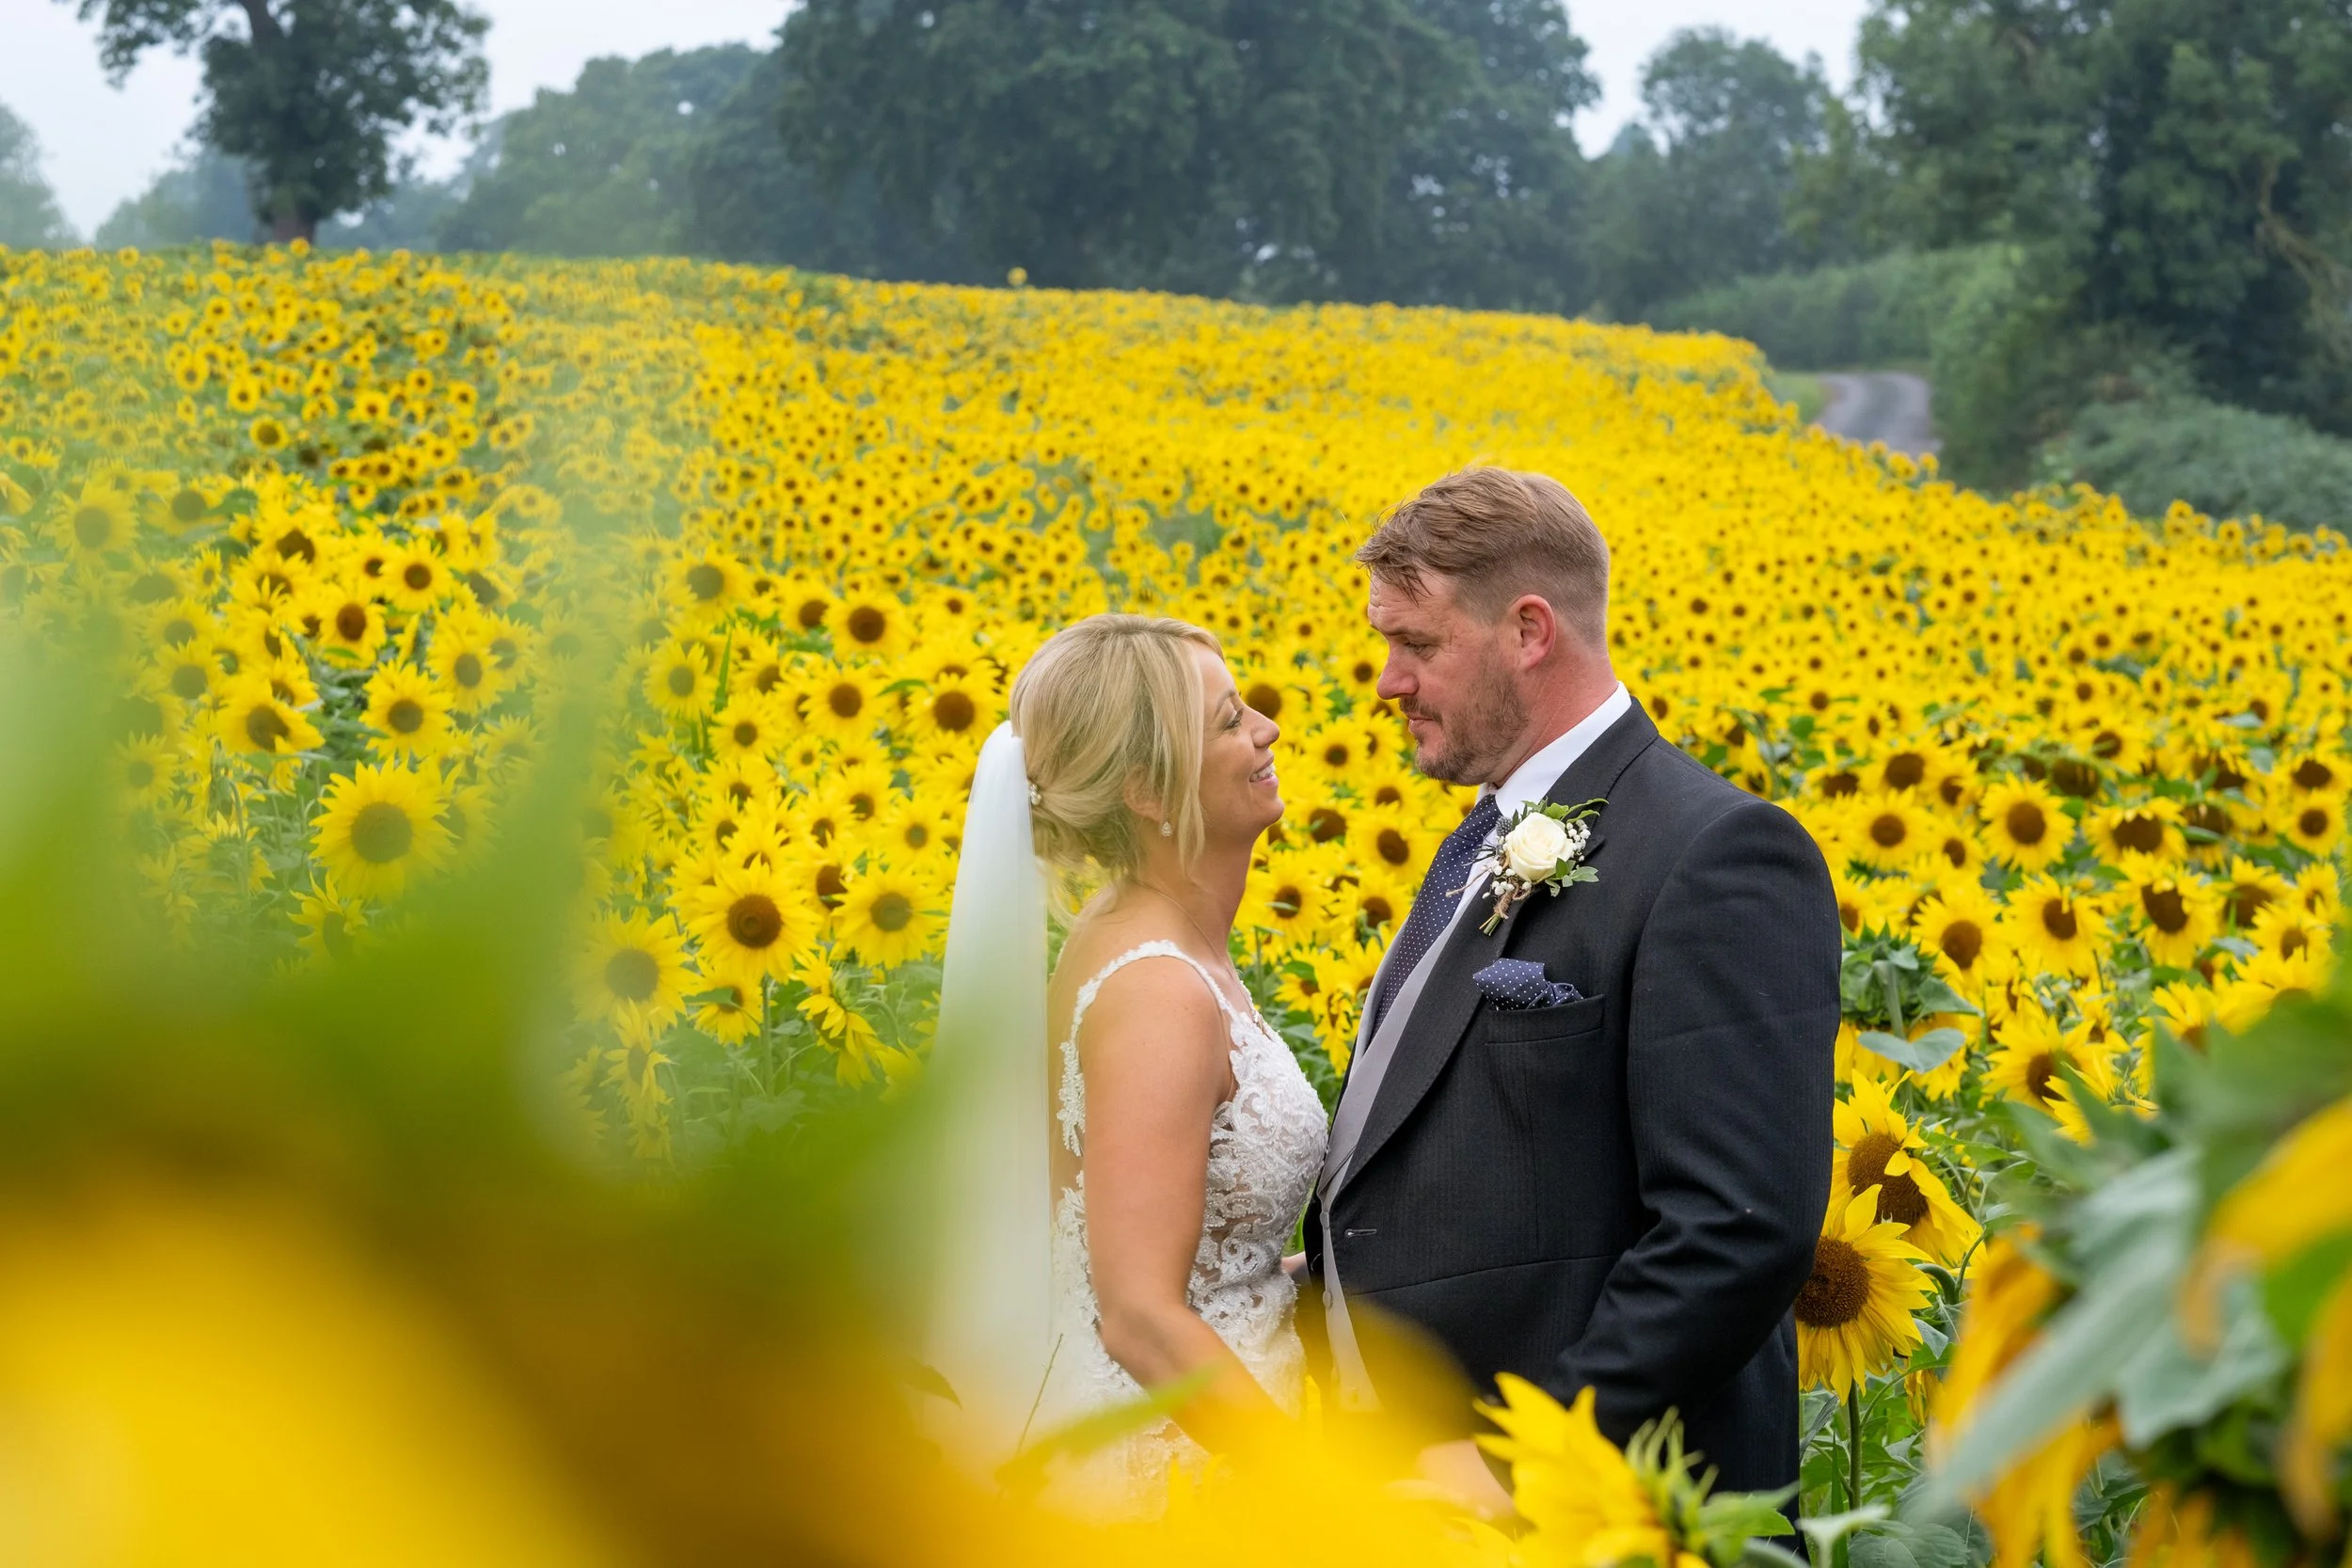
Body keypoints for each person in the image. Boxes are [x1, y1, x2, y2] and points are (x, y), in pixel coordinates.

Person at [1305, 467, 1840, 1507]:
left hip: (1599, 1506)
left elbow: (1736, 1223)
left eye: (1416, 643)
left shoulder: (1714, 853)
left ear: (1529, 630)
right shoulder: (1484, 837)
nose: (1386, 680)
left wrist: (1526, 1451)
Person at [929, 614, 1326, 1517]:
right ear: (1147, 790)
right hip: (1184, 1470)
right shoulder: (1158, 990)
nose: (1266, 729)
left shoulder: (1131, 931)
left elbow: (1196, 1253)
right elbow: (1142, 1316)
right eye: (1228, 721)